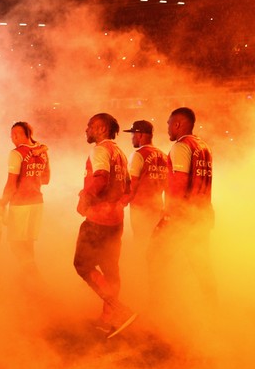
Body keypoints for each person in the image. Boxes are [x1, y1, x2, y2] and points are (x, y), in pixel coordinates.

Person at [74, 113, 136, 338]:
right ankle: (108, 319)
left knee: (82, 265)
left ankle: (119, 309)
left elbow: (100, 178)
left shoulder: (100, 150)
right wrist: (117, 206)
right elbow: (128, 186)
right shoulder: (119, 152)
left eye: (89, 126)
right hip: (115, 221)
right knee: (111, 271)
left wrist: (85, 200)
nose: (86, 130)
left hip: (98, 220)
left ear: (100, 129)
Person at [149, 107, 216, 308]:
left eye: (169, 124)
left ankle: (158, 306)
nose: (167, 128)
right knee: (200, 263)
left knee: (154, 257)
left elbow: (178, 185)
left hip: (182, 216)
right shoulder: (203, 146)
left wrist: (168, 216)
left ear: (177, 124)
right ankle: (212, 307)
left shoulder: (181, 146)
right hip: (202, 215)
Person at [0, 121, 50, 283]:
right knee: (28, 244)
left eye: (16, 134)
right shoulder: (42, 152)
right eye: (12, 135)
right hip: (37, 202)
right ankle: (27, 278)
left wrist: (2, 203)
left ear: (27, 134)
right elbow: (46, 179)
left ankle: (35, 278)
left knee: (16, 244)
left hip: (21, 204)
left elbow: (11, 183)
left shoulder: (16, 153)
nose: (13, 137)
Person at [122, 120, 168, 244]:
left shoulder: (138, 155)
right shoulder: (164, 156)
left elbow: (132, 184)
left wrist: (122, 202)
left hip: (141, 210)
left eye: (133, 135)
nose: (131, 138)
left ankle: (140, 263)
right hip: (158, 208)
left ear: (140, 135)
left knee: (141, 242)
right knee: (155, 244)